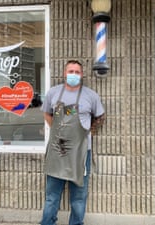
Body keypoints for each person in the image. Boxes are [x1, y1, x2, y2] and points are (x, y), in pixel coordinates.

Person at [40, 60, 105, 225]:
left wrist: (84, 133)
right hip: (58, 150)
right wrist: (58, 131)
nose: (73, 75)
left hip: (81, 152)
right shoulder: (53, 93)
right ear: (64, 73)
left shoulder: (91, 95)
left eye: (77, 72)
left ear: (82, 75)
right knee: (52, 195)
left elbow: (99, 117)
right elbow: (48, 114)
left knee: (79, 195)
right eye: (71, 71)